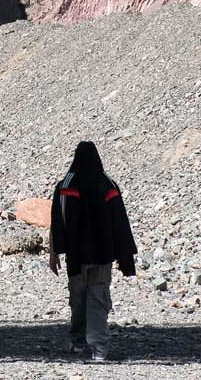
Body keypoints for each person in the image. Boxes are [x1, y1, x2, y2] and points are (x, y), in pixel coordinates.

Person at [48, 141, 138, 361]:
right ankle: (99, 348)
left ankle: (78, 342)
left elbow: (58, 220)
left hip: (76, 256)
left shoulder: (67, 184)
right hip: (102, 255)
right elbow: (120, 222)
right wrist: (124, 256)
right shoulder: (107, 185)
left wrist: (54, 252)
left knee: (78, 298)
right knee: (98, 298)